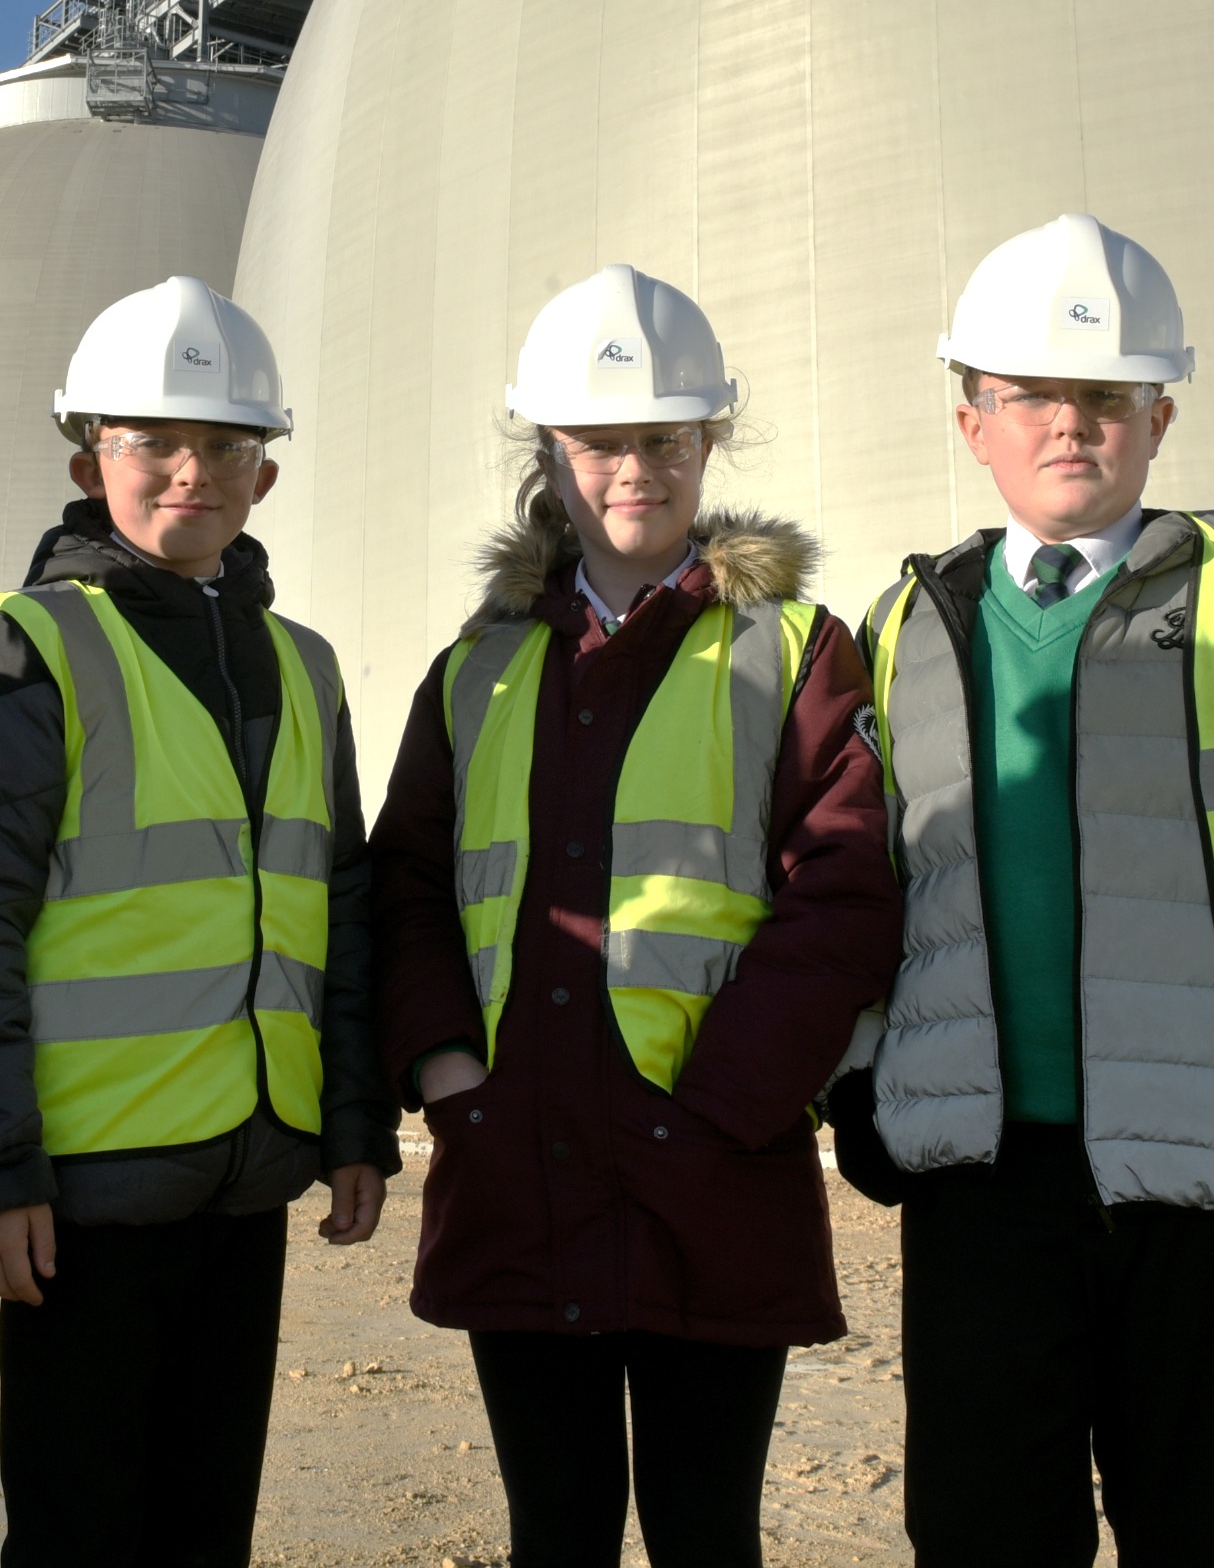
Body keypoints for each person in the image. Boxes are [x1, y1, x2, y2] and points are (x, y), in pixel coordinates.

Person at [822, 212, 1214, 1568]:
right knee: (982, 1533)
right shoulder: (903, 634)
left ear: (1159, 414)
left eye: (1105, 395)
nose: (1070, 423)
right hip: (983, 1187)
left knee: (1195, 1530)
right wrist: (859, 1070)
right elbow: (856, 895)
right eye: (1031, 395)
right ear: (969, 419)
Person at [369, 265, 901, 1567]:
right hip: (519, 1153)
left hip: (714, 1165)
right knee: (554, 1529)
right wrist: (451, 1073)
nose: (633, 467)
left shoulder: (793, 646)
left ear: (707, 439)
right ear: (551, 447)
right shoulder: (480, 663)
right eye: (601, 438)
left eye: (663, 436)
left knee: (707, 1529)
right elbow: (406, 884)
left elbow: (844, 883)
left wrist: (729, 1100)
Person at [0, 275, 396, 1568]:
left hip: (248, 1175)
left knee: (202, 1530)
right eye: (153, 443)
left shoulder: (305, 663)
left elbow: (337, 904)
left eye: (225, 446)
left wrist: (352, 1119)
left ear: (265, 474)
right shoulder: (28, 647)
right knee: (77, 1533)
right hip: (84, 1192)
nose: (191, 470)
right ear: (90, 460)